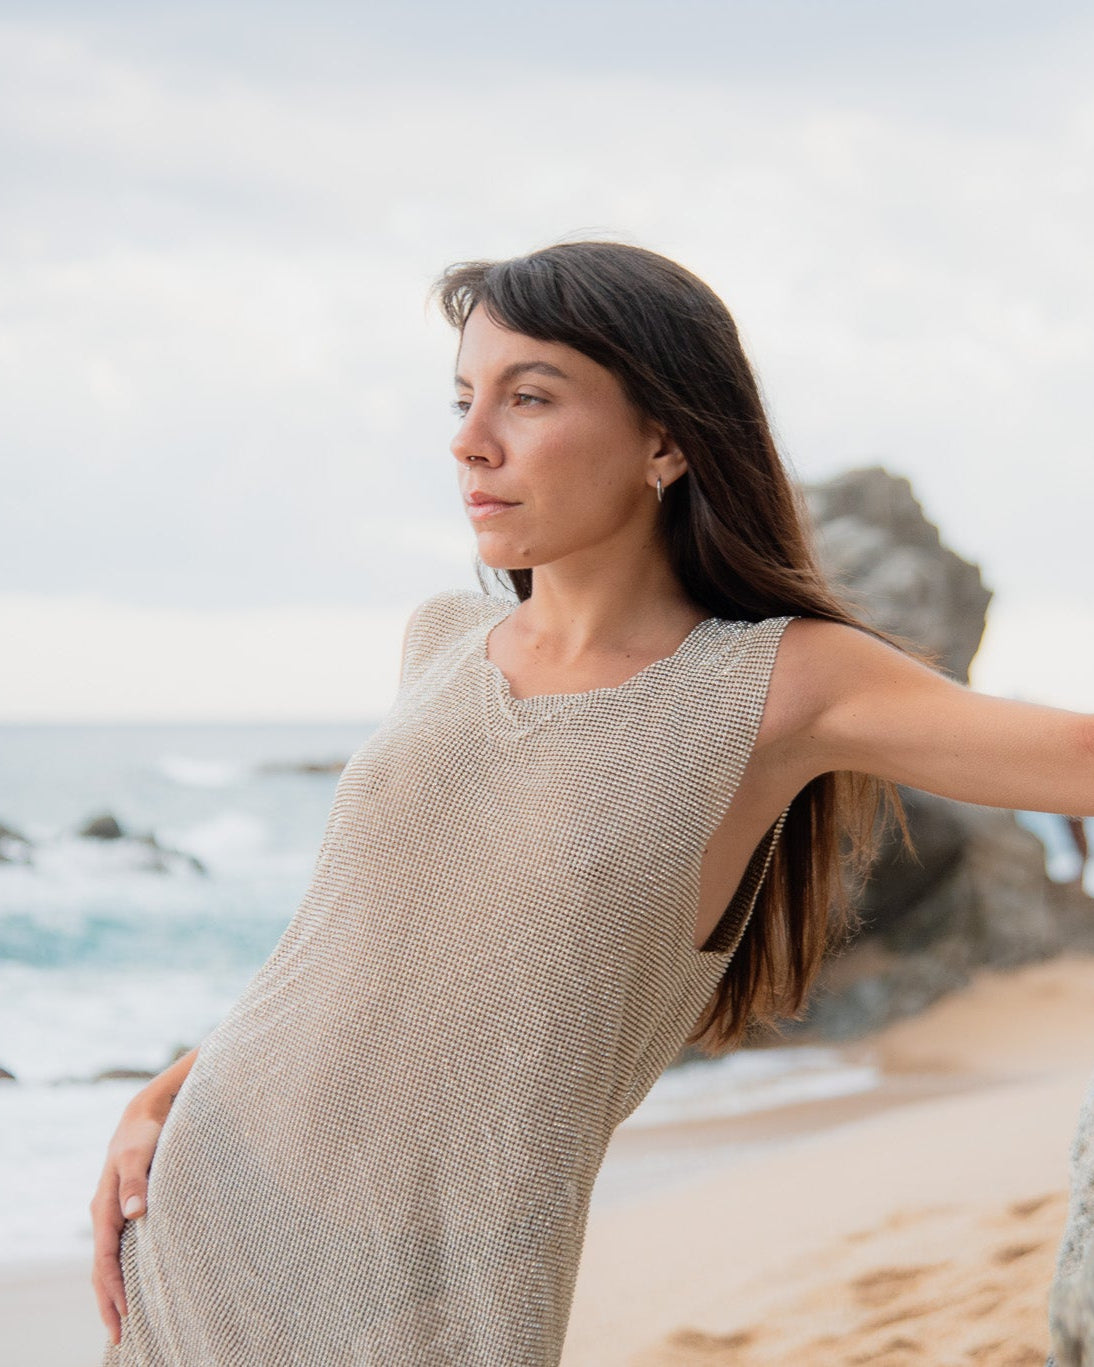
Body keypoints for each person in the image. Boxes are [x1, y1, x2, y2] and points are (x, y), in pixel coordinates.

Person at [90, 240, 1094, 1365]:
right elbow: (356, 950)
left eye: (527, 397)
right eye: (464, 398)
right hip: (203, 1218)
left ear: (666, 439)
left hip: (438, 1303)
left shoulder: (777, 682)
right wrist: (168, 1092)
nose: (471, 439)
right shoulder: (441, 639)